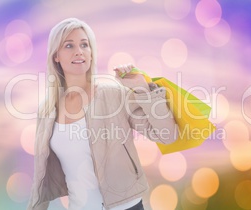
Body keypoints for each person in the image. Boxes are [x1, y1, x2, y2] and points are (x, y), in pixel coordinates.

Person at [27, 18, 178, 210]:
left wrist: (142, 90)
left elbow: (167, 135)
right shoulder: (47, 111)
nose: (79, 51)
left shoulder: (113, 93)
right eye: (69, 45)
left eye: (84, 44)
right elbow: (40, 176)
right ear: (56, 55)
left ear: (91, 53)